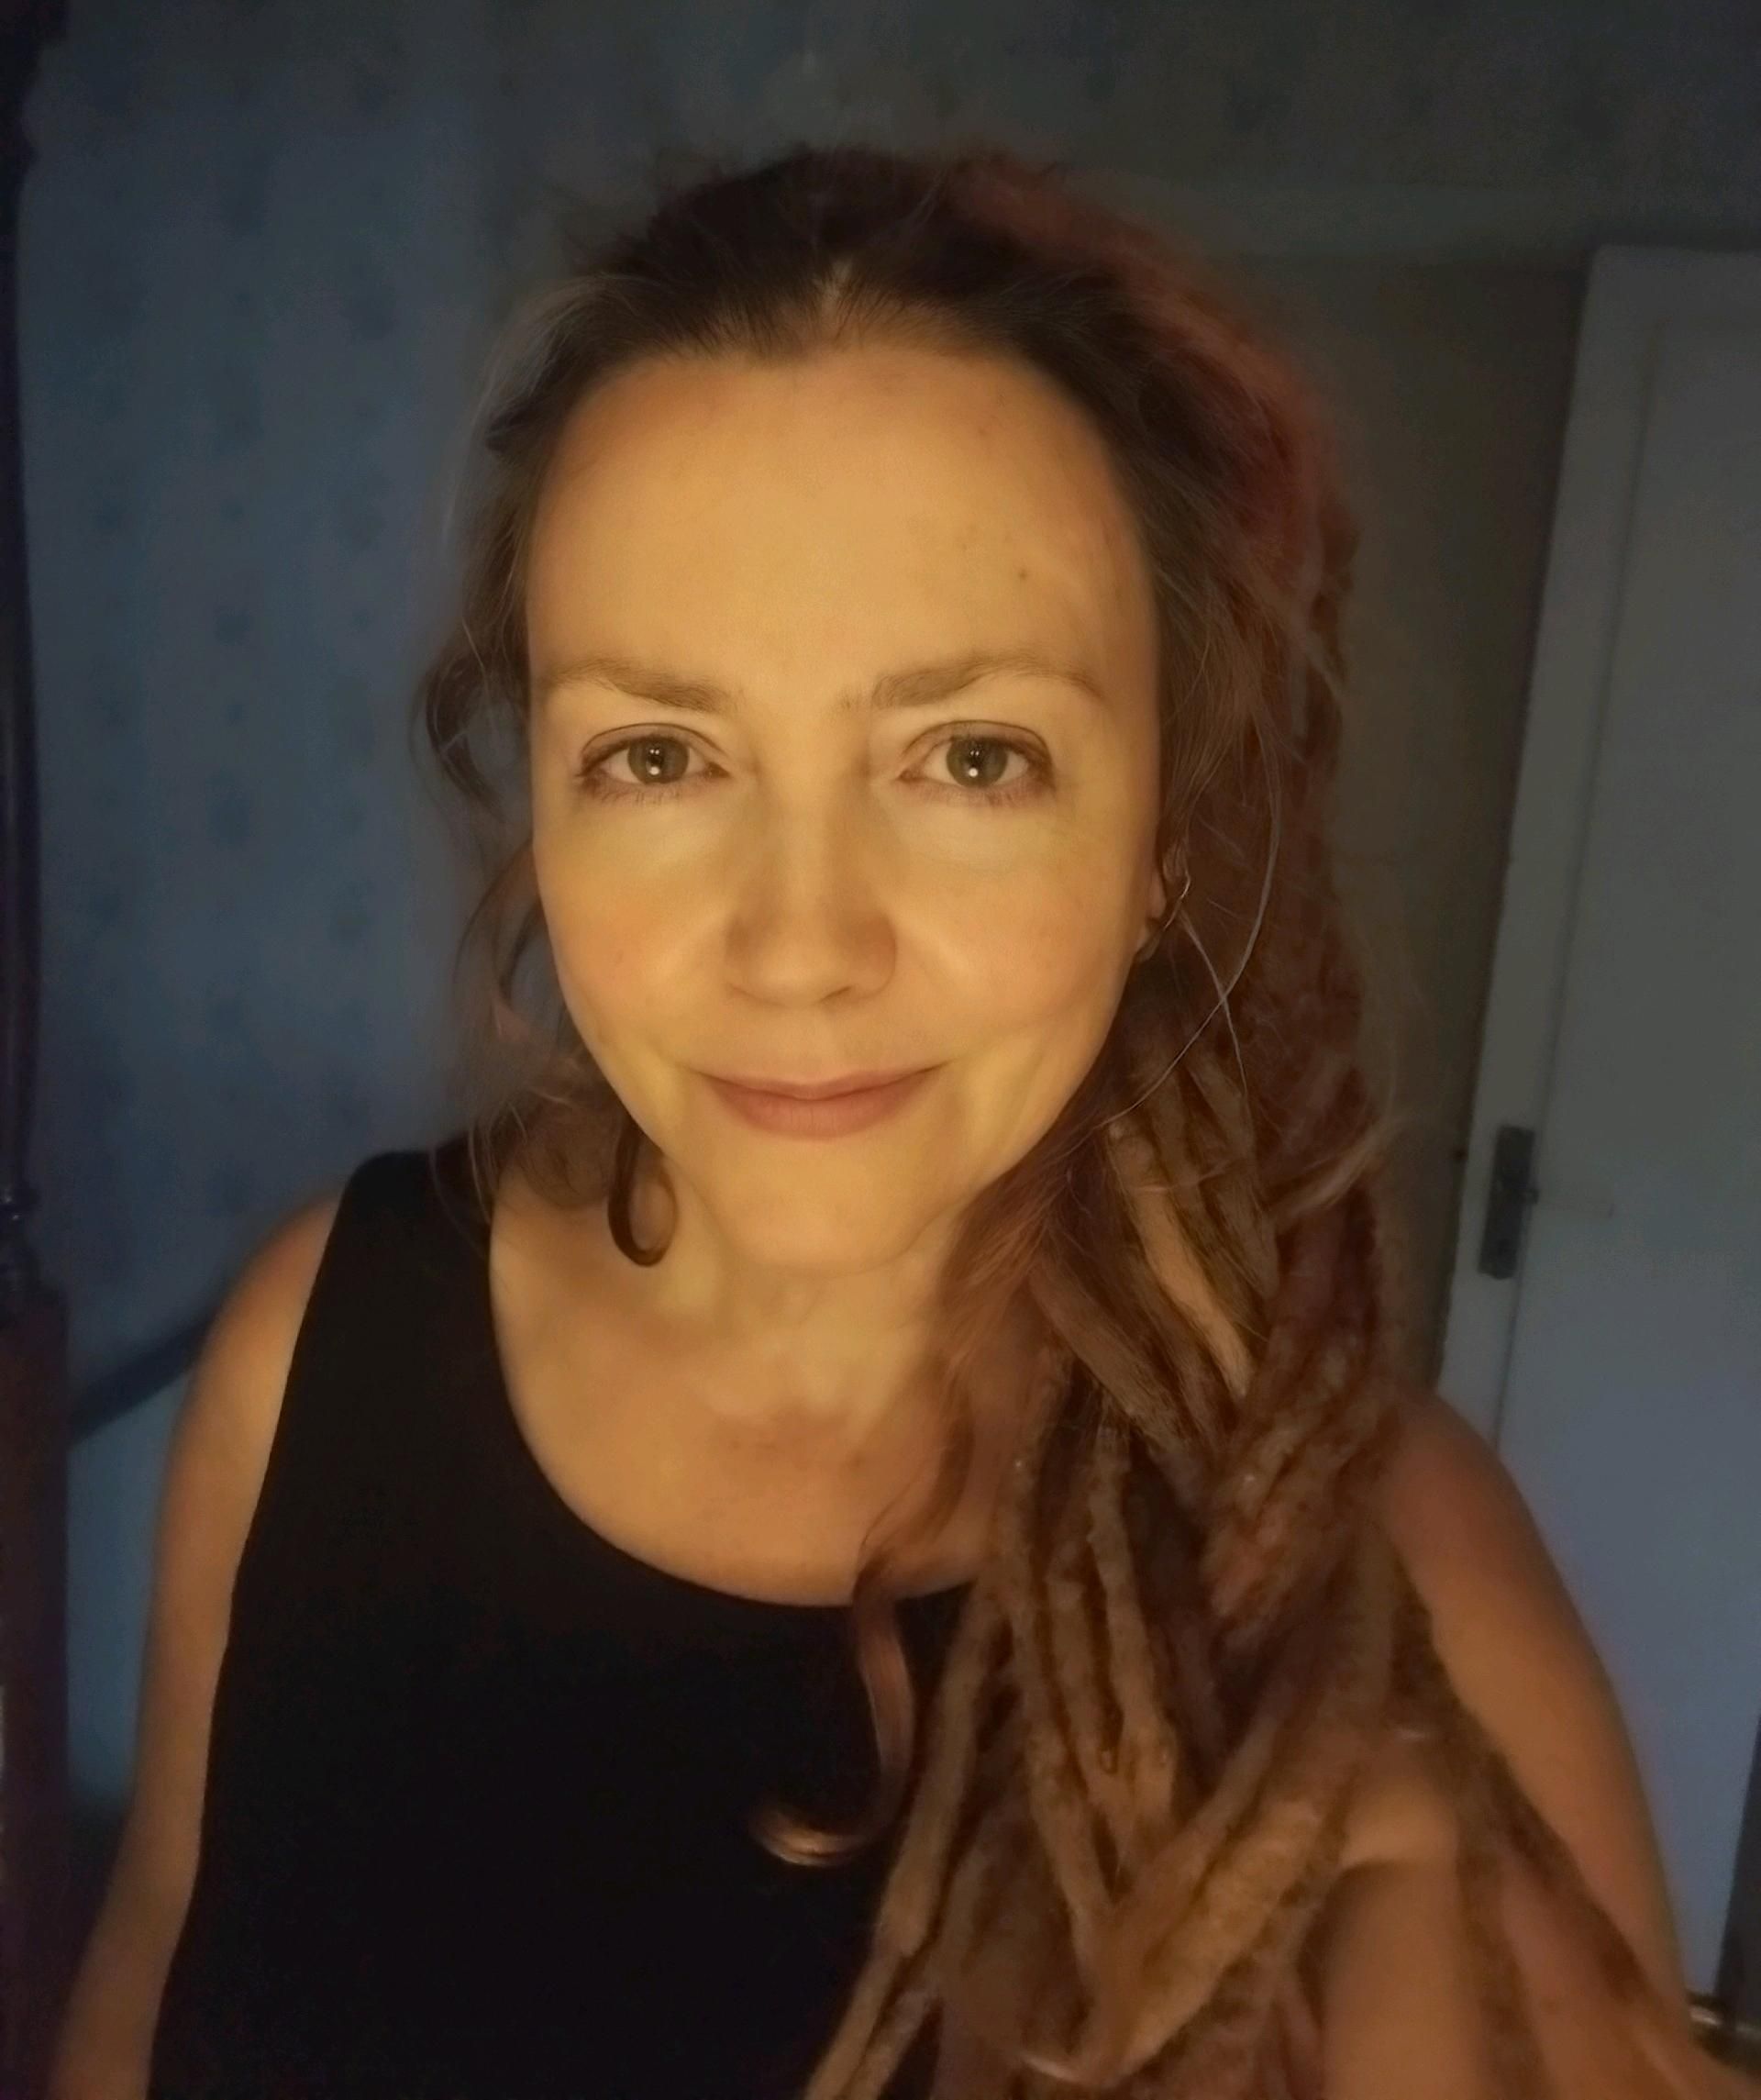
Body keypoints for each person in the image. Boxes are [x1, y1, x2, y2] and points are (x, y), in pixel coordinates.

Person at [50, 139, 1744, 2100]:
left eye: (972, 756)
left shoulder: (1391, 1600)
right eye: (660, 754)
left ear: (1165, 838)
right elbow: (149, 1972)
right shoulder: (313, 1345)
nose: (799, 947)